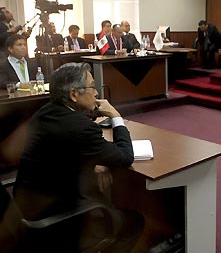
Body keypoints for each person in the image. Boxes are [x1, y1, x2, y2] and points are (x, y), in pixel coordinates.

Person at [12, 62, 144, 252]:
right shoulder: (81, 129)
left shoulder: (44, 112)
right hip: (53, 218)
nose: (97, 93)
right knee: (134, 222)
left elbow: (66, 142)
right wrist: (115, 116)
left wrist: (95, 161)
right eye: (92, 87)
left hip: (26, 206)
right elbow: (125, 157)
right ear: (74, 94)